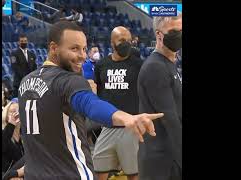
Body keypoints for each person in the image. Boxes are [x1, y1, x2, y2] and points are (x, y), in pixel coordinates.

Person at [17, 21, 163, 180]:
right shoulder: (69, 80)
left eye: (84, 49)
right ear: (53, 48)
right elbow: (90, 104)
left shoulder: (25, 82)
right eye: (74, 49)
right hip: (70, 173)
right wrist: (126, 117)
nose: (83, 55)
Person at [92, 26, 144, 180]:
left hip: (130, 127)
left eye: (128, 40)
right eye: (121, 40)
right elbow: (100, 89)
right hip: (107, 126)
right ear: (112, 42)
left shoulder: (138, 64)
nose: (126, 43)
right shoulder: (101, 65)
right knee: (99, 170)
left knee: (133, 173)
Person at [137, 12, 182, 180]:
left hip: (171, 155)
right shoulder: (155, 67)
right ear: (159, 34)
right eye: (174, 32)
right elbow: (170, 120)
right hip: (162, 162)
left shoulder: (169, 64)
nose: (179, 36)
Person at [2, 98, 24, 175]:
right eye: (12, 111)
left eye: (19, 110)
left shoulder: (25, 135)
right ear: (6, 116)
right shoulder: (4, 134)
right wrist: (11, 125)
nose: (16, 114)